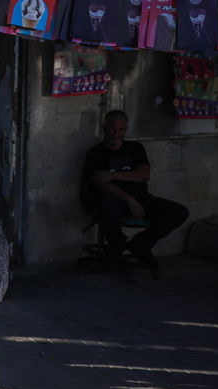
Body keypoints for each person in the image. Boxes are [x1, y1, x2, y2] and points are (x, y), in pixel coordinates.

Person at [81, 110, 189, 273]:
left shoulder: (135, 148)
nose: (116, 134)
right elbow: (102, 183)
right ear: (104, 127)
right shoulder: (95, 153)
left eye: (121, 129)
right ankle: (116, 246)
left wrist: (113, 175)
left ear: (126, 129)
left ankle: (141, 245)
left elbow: (144, 175)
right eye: (112, 128)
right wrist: (130, 200)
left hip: (141, 198)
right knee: (105, 203)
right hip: (114, 200)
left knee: (179, 212)